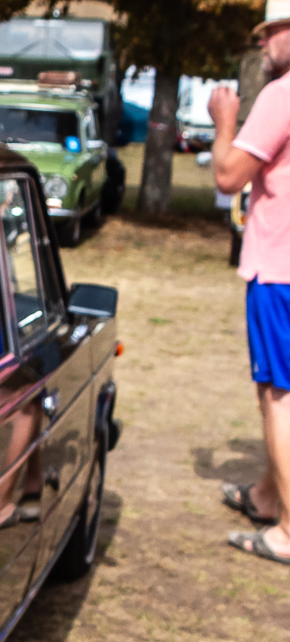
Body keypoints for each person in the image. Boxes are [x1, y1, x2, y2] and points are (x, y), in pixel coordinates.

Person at [209, 1, 290, 564]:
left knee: (278, 396)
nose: (263, 43)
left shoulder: (280, 95)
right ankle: (267, 496)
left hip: (279, 268)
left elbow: (227, 174)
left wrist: (224, 123)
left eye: (272, 32)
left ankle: (288, 530)